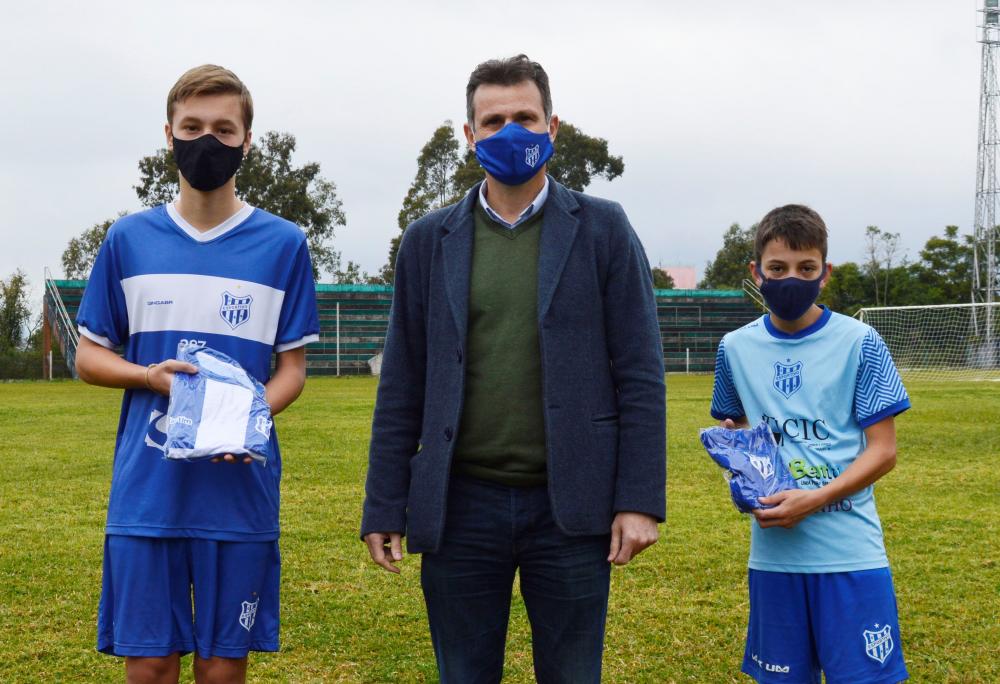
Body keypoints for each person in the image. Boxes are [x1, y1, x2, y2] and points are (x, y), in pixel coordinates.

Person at [361, 54, 666, 683]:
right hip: (461, 505)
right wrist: (385, 502)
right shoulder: (427, 240)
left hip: (572, 507)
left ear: (553, 126)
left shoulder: (604, 229)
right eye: (492, 120)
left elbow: (641, 372)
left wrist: (639, 500)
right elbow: (403, 382)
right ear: (470, 136)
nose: (510, 132)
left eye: (524, 117)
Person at [75, 64, 318, 684]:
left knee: (220, 667)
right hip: (147, 493)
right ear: (169, 134)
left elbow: (292, 368)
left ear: (246, 140)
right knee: (151, 664)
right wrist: (148, 376)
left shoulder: (283, 244)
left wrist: (248, 416)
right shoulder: (127, 239)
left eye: (223, 128)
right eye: (192, 127)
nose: (206, 140)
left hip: (238, 494)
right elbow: (88, 357)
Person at [710, 205, 911, 684]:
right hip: (774, 558)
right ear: (755, 272)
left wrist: (815, 498)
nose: (790, 279)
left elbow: (883, 450)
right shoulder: (733, 348)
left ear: (825, 273)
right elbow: (733, 431)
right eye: (777, 269)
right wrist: (742, 479)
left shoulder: (861, 341)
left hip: (851, 555)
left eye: (806, 269)